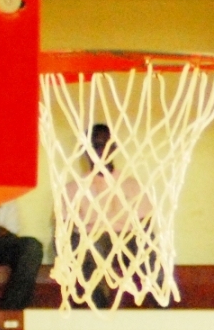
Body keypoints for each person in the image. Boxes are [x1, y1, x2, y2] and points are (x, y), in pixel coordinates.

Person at [59, 123, 152, 310]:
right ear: (85, 149)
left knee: (150, 246)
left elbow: (145, 224)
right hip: (92, 241)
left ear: (114, 147)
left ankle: (162, 306)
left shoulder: (132, 185)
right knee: (86, 246)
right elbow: (64, 228)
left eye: (105, 144)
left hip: (126, 239)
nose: (100, 150)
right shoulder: (73, 188)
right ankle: (98, 307)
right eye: (95, 145)